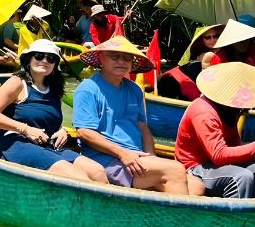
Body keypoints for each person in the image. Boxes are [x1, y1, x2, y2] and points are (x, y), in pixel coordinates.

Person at [73, 37, 203, 195]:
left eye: (127, 57)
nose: (121, 61)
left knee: (197, 186)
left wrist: (152, 156)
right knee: (175, 170)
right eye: (115, 56)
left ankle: (158, 216)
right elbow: (84, 132)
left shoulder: (134, 89)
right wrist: (123, 153)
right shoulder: (88, 89)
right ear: (101, 58)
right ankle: (177, 220)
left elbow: (142, 126)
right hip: (106, 158)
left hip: (137, 156)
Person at [0, 40, 108, 183]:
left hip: (46, 145)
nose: (45, 61)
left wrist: (62, 131)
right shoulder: (17, 83)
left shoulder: (54, 89)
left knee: (98, 172)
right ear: (29, 60)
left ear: (55, 66)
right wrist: (25, 129)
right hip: (18, 144)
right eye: (39, 56)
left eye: (51, 58)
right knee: (77, 177)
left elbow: (48, 120)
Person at [175, 63, 255, 198]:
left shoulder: (230, 108)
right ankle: (229, 219)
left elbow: (234, 146)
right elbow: (219, 155)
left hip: (217, 165)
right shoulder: (204, 111)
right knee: (241, 177)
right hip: (194, 168)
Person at [156, 24, 222, 101]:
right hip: (173, 82)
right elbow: (207, 79)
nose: (212, 40)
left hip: (188, 85)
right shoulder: (203, 54)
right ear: (202, 40)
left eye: (216, 36)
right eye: (208, 37)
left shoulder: (223, 51)